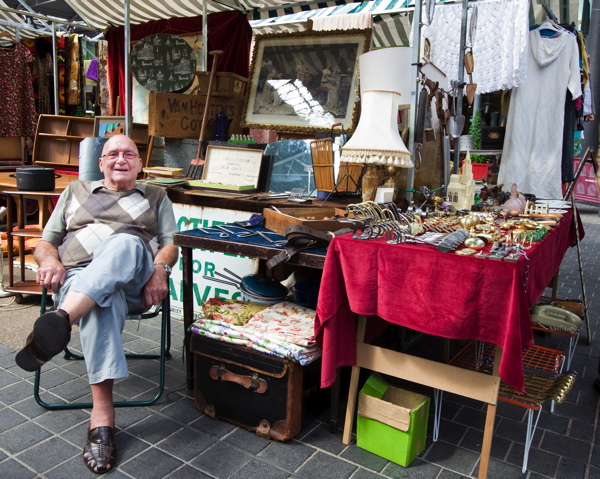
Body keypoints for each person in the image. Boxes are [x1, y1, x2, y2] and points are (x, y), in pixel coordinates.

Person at [15, 134, 178, 474]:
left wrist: (160, 270)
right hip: (77, 279)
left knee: (125, 243)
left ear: (140, 163)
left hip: (134, 279)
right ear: (100, 163)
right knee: (102, 301)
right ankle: (102, 416)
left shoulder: (156, 195)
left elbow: (170, 244)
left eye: (129, 154)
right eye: (112, 154)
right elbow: (46, 242)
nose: (121, 159)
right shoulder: (75, 191)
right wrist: (51, 261)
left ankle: (62, 319)